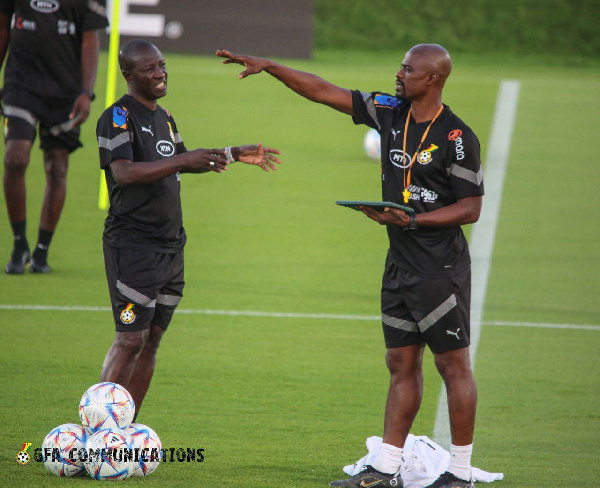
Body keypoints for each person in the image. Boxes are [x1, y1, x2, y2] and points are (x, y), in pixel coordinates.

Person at [217, 44, 483, 488]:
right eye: (400, 66)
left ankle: (459, 473)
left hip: (441, 269)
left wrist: (414, 219)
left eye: (408, 69)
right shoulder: (389, 112)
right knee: (400, 362)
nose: (399, 74)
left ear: (433, 79)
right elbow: (324, 92)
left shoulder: (457, 137)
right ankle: (386, 467)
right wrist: (272, 66)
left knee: (452, 367)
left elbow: (471, 207)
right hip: (399, 264)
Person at [97, 40, 281, 419]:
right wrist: (183, 158)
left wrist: (230, 154)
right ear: (129, 75)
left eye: (162, 65)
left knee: (151, 342)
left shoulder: (164, 116)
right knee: (130, 339)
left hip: (171, 247)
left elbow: (183, 163)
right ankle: (95, 432)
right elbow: (124, 172)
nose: (160, 73)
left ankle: (125, 429)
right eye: (149, 69)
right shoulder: (117, 117)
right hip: (134, 245)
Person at [0, 0, 108, 274]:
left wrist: (87, 92)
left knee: (57, 166)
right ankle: (19, 243)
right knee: (14, 158)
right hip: (19, 85)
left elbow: (90, 40)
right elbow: (3, 26)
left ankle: (42, 250)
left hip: (65, 92)